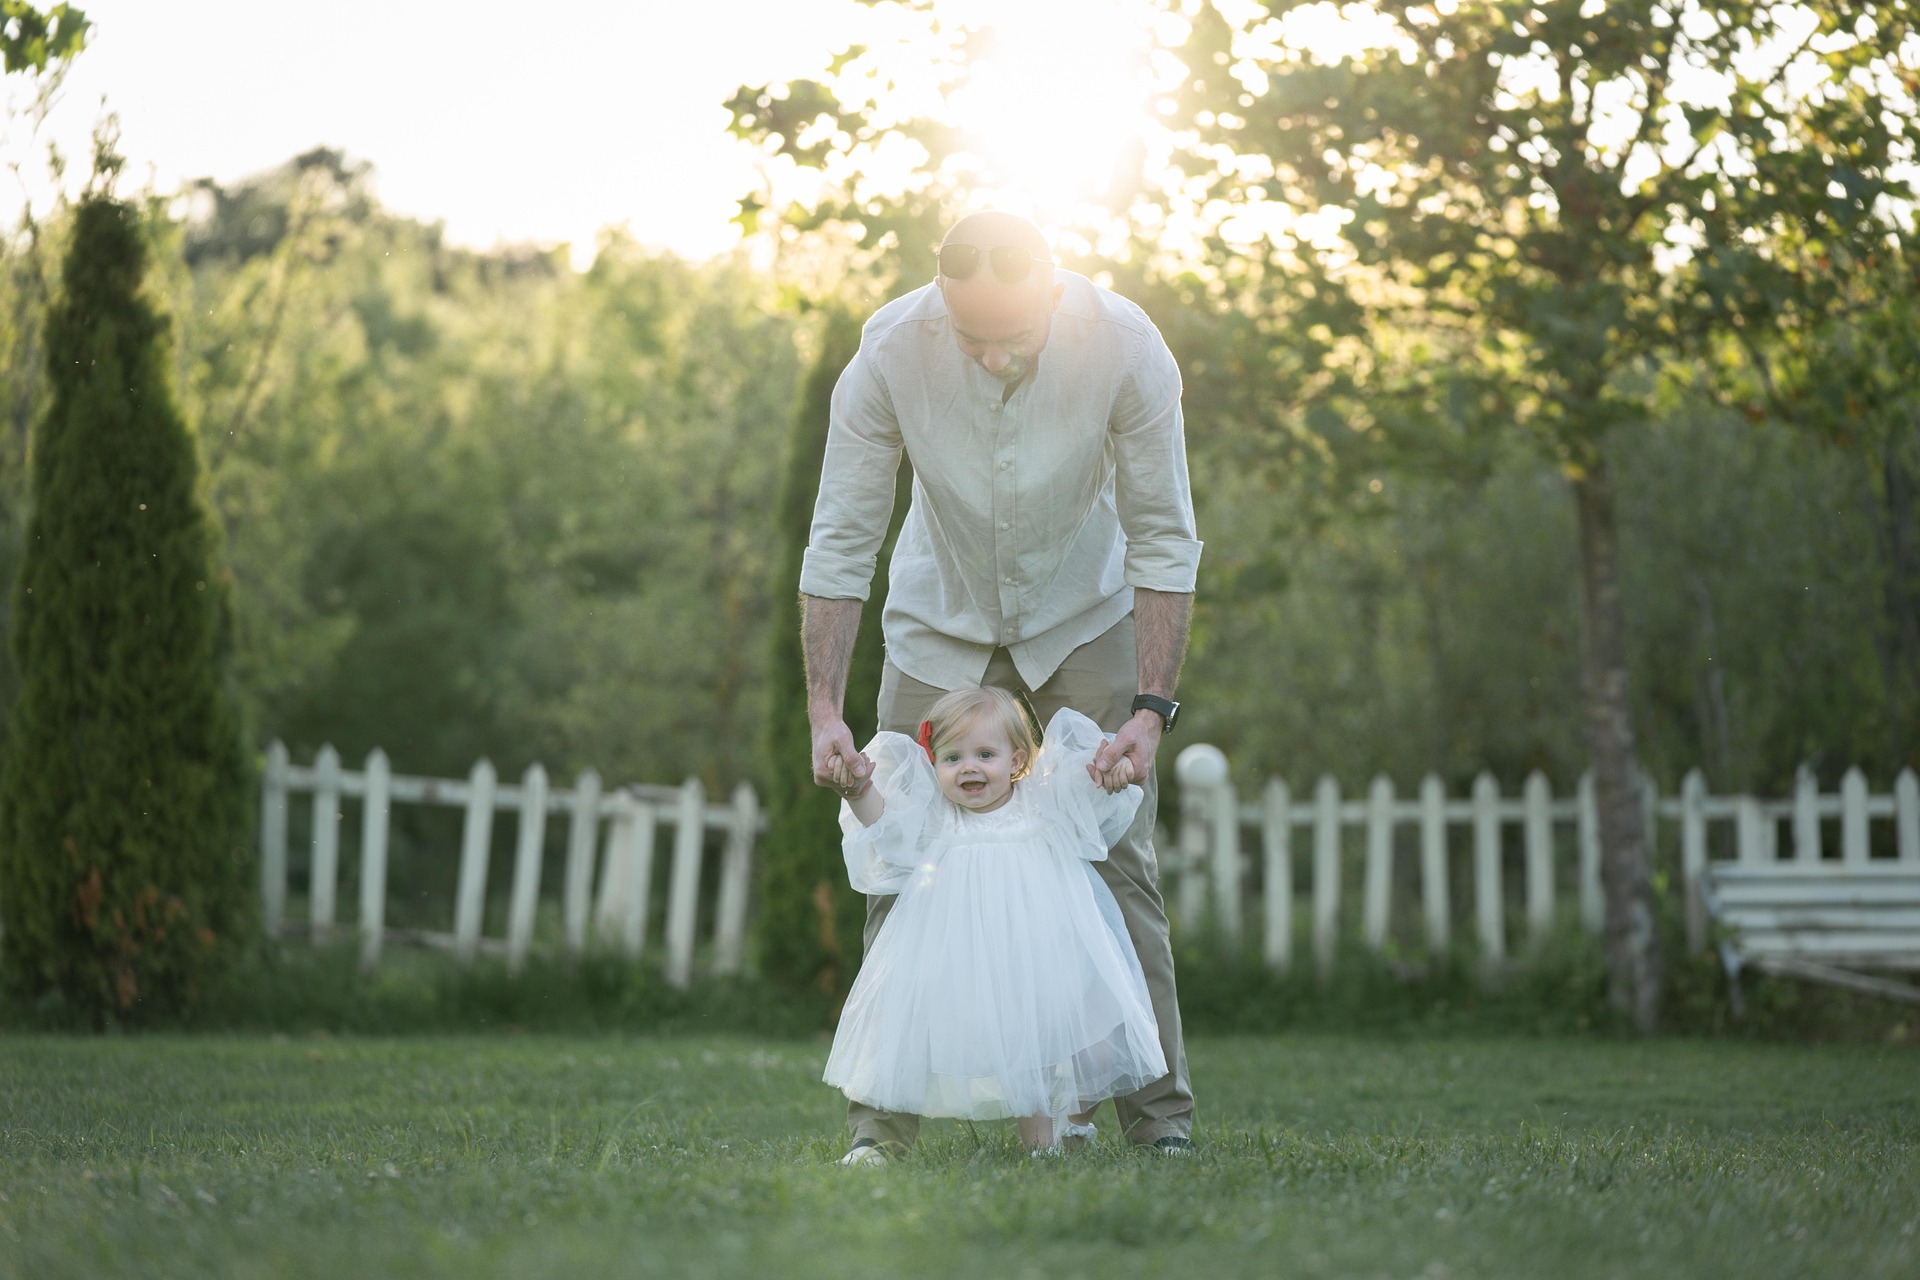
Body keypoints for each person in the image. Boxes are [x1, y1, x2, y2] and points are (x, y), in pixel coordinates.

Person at [802, 209, 1200, 1165]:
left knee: (1118, 861)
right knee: (899, 858)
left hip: (1083, 614)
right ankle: (877, 1135)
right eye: (968, 334)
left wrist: (1150, 711)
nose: (986, 356)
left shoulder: (1127, 348)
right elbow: (842, 538)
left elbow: (1164, 535)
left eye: (1010, 336)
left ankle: (1162, 1127)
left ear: (1054, 294)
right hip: (939, 622)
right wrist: (823, 708)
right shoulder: (892, 351)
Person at [821, 687, 1166, 1153]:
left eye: (985, 754)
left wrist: (1115, 776)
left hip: (1049, 953)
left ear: (1017, 760)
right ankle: (1040, 1149)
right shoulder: (940, 819)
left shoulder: (1041, 803)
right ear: (934, 764)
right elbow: (887, 830)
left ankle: (1076, 1122)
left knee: (1099, 1045)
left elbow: (1091, 799)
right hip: (977, 964)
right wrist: (859, 789)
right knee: (1028, 1055)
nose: (969, 767)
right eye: (952, 757)